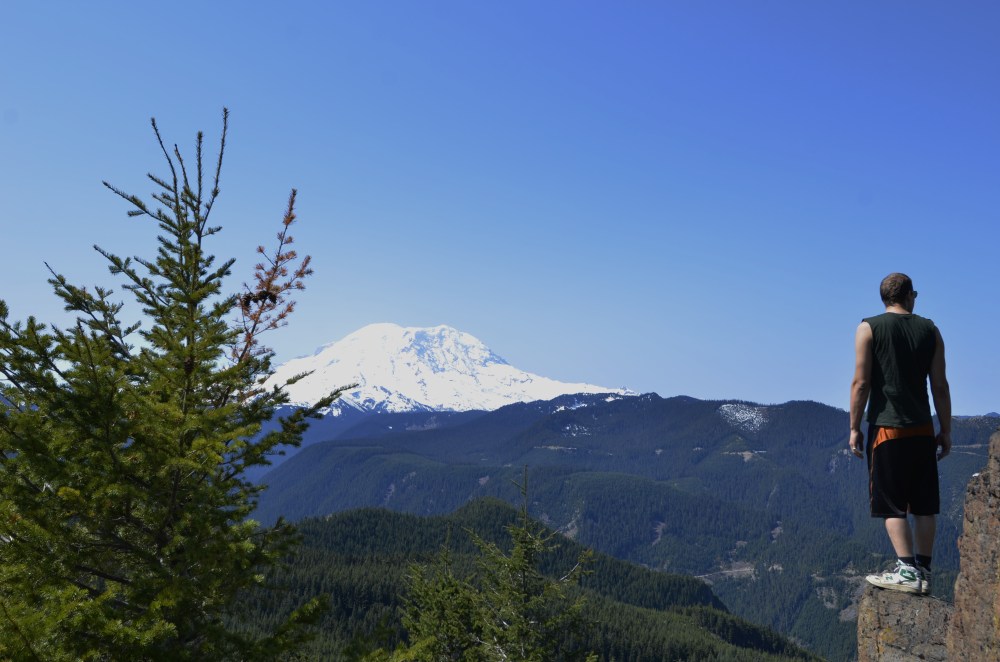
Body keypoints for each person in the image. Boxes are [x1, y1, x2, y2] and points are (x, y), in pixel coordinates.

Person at [849, 272, 951, 595]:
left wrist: (854, 427)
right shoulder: (931, 331)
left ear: (885, 298)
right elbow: (940, 386)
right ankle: (923, 570)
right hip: (922, 429)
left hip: (886, 431)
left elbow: (861, 383)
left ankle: (906, 570)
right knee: (923, 505)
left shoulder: (868, 328)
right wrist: (945, 429)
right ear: (909, 296)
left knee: (891, 504)